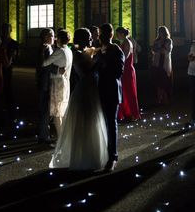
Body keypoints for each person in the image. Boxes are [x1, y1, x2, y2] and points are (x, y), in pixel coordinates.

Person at [49, 28, 109, 171]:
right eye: (88, 37)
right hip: (84, 90)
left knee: (93, 121)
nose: (90, 39)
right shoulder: (76, 54)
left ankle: (92, 155)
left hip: (93, 89)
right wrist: (98, 62)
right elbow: (85, 72)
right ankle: (81, 158)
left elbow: (100, 48)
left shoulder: (88, 50)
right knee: (84, 123)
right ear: (80, 39)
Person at [94, 23, 125, 172]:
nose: (100, 37)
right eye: (100, 34)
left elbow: (118, 72)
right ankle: (102, 154)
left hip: (111, 90)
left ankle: (112, 157)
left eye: (102, 34)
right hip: (99, 90)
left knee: (111, 124)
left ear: (110, 35)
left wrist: (103, 62)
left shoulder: (116, 50)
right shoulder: (100, 51)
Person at [41, 29, 73, 139]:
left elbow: (44, 63)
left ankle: (61, 139)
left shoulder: (59, 51)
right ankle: (63, 136)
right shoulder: (68, 50)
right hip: (65, 82)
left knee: (56, 114)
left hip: (57, 83)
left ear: (59, 39)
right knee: (62, 112)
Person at [0, 23, 20, 127]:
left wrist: (11, 58)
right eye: (3, 29)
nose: (4, 31)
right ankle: (0, 116)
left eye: (6, 29)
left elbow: (15, 58)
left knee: (8, 91)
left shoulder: (13, 43)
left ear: (10, 30)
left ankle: (10, 116)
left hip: (7, 70)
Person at [115, 27, 141, 122]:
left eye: (117, 34)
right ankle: (127, 112)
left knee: (129, 92)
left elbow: (124, 57)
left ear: (122, 34)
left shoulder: (127, 43)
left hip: (127, 70)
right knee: (124, 92)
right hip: (125, 70)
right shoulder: (124, 42)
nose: (116, 35)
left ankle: (133, 113)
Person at [36, 28, 55, 145]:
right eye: (51, 35)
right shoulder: (46, 48)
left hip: (42, 81)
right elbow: (46, 66)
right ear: (45, 37)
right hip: (46, 82)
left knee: (44, 108)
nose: (54, 37)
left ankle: (44, 133)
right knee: (45, 109)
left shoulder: (44, 47)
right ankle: (43, 136)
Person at [151, 26, 173, 105]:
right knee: (158, 81)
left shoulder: (168, 41)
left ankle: (165, 98)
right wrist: (158, 49)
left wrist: (158, 49)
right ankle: (159, 98)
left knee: (165, 81)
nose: (160, 33)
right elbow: (153, 50)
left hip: (165, 63)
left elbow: (166, 51)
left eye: (162, 32)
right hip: (157, 62)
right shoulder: (156, 41)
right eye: (159, 32)